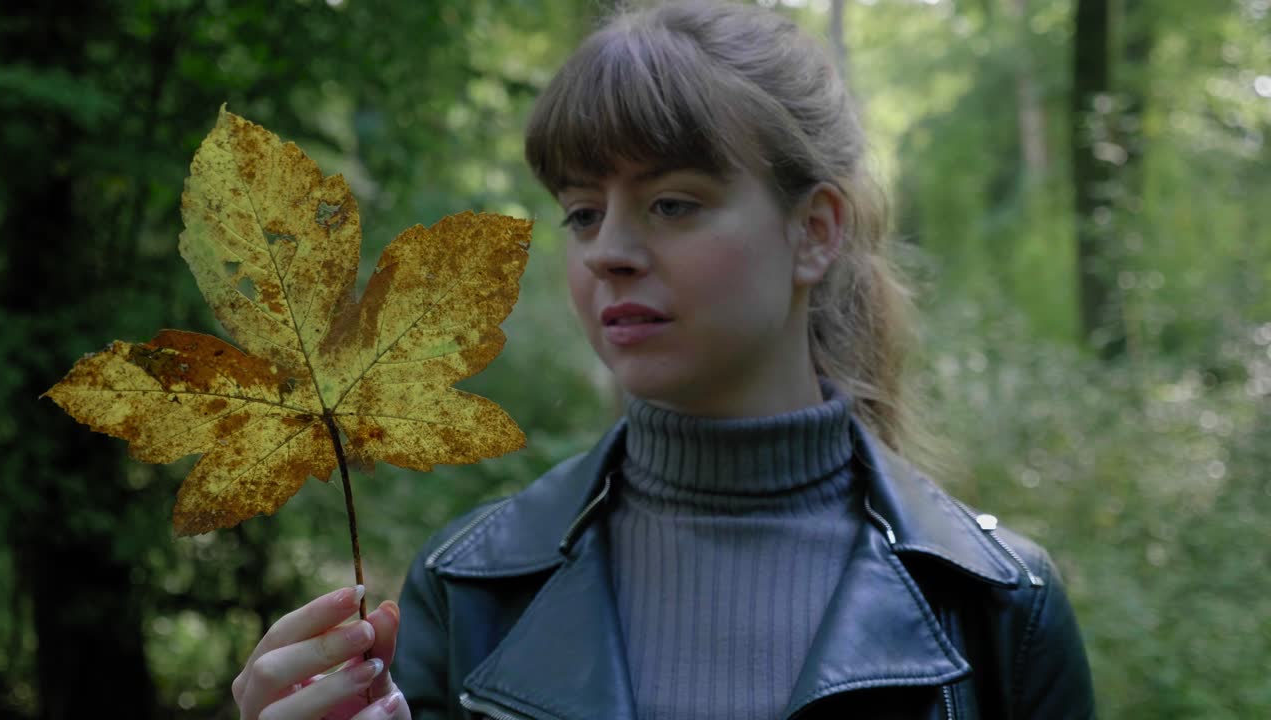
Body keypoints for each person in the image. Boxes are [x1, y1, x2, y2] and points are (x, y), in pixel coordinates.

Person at [231, 1, 1097, 718]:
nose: (609, 250)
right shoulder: (472, 592)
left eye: (672, 204)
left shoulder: (996, 608)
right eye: (580, 212)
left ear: (814, 231)